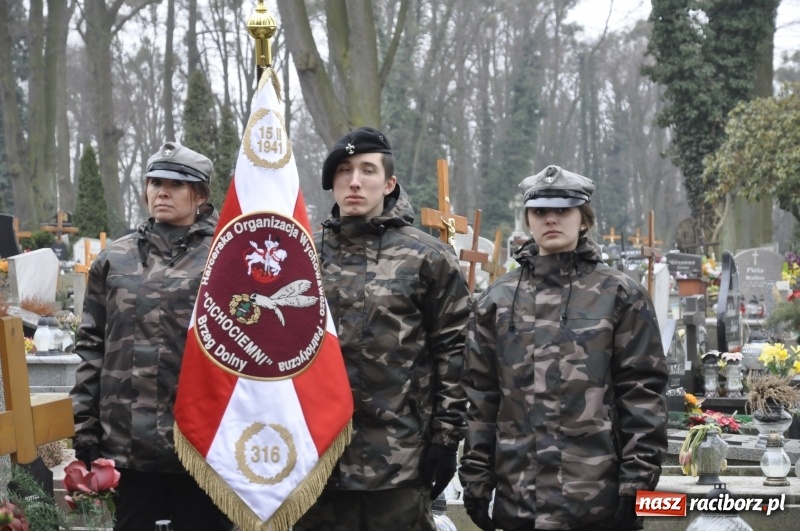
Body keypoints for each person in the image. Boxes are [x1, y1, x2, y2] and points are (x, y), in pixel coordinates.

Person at [459, 165, 668, 531]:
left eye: (563, 210)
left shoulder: (620, 295)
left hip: (597, 501)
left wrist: (638, 482)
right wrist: (476, 480)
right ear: (528, 219)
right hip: (519, 501)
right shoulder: (497, 300)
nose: (551, 219)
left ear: (583, 219)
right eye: (540, 211)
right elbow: (481, 396)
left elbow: (642, 393)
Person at [294, 127, 471, 531]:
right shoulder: (299, 255)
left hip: (397, 460)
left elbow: (455, 353)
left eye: (367, 170)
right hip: (313, 460)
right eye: (344, 170)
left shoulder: (427, 258)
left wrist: (446, 440)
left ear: (389, 182)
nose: (355, 181)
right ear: (332, 182)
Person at [70, 141, 232, 531]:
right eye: (155, 181)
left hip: (202, 447)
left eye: (176, 184)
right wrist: (85, 427)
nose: (162, 191)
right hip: (128, 445)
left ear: (200, 195)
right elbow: (92, 346)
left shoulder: (226, 257)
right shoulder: (116, 259)